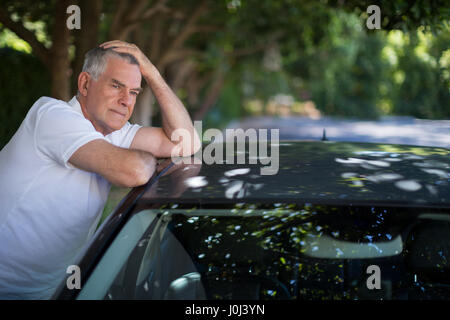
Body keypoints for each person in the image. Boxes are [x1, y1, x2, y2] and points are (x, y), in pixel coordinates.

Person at [0, 40, 201, 299]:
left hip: (50, 292)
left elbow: (187, 142)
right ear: (85, 84)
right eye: (116, 86)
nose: (125, 101)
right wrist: (149, 160)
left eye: (134, 92)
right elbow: (135, 171)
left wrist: (153, 73)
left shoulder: (115, 132)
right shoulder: (51, 116)